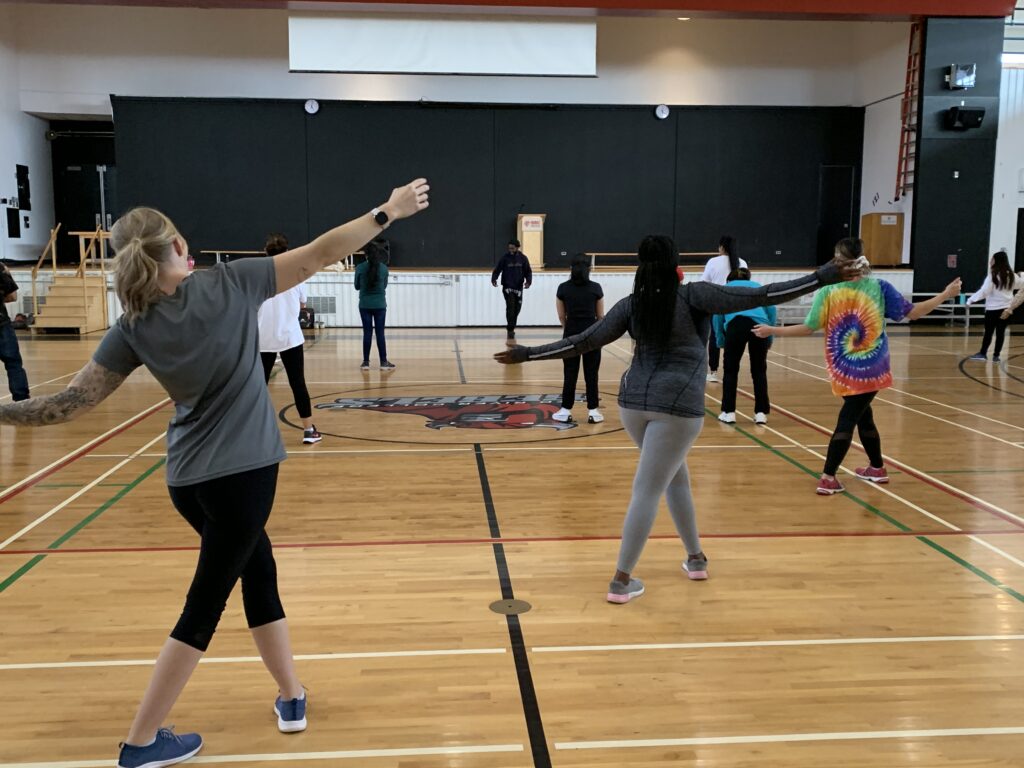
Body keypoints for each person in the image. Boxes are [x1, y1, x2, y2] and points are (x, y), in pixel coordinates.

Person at [0, 179, 429, 768]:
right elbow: (322, 252)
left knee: (261, 571)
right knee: (204, 607)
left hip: (189, 482)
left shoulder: (134, 326)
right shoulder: (230, 283)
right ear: (175, 244)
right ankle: (141, 741)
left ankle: (291, 695)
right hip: (243, 479)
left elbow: (66, 404)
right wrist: (389, 211)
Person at [496, 234, 857, 604]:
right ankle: (621, 580)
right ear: (675, 262)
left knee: (674, 478)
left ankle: (695, 558)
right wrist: (824, 275)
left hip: (633, 405)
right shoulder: (694, 295)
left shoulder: (631, 304)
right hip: (678, 408)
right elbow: (761, 295)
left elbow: (583, 341)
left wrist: (527, 354)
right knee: (649, 489)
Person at [753, 238, 960, 496]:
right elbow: (914, 313)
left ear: (837, 261)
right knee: (863, 415)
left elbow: (808, 328)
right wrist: (944, 295)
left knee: (848, 418)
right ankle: (877, 468)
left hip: (845, 368)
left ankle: (828, 476)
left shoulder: (828, 291)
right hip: (871, 366)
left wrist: (772, 330)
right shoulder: (878, 287)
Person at [257, 233, 321, 445]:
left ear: (266, 253)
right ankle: (308, 430)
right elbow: (303, 305)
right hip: (289, 337)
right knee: (297, 383)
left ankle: (255, 432)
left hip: (263, 338)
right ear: (287, 253)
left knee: (259, 386)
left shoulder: (257, 275)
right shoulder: (296, 275)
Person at [713, 267, 773, 425]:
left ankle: (728, 412)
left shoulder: (724, 289)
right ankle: (761, 413)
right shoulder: (758, 287)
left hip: (736, 325)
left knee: (731, 370)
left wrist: (720, 340)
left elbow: (717, 316)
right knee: (759, 370)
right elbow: (771, 310)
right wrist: (769, 335)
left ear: (729, 279)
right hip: (760, 325)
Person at [553, 253, 605, 424]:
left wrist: (569, 329)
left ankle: (565, 410)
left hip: (570, 337)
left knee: (570, 374)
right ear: (588, 269)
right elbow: (601, 317)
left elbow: (562, 316)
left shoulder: (563, 288)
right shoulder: (596, 288)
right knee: (592, 374)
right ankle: (593, 411)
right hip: (592, 337)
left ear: (571, 269)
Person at [701, 236, 746, 383]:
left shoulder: (713, 262)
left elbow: (704, 283)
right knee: (733, 338)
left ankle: (713, 371)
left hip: (717, 304)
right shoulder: (742, 262)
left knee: (715, 337)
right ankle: (731, 371)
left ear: (721, 247)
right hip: (737, 305)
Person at [965, 250, 1023, 362]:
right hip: (1006, 309)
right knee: (1000, 333)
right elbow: (1021, 284)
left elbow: (984, 291)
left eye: (992, 259)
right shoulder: (1012, 276)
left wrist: (970, 300)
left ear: (996, 261)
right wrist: (1021, 275)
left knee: (988, 332)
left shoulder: (993, 275)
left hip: (992, 310)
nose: (990, 261)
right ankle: (996, 356)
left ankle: (983, 353)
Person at [354, 241, 394, 371]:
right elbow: (384, 286)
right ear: (378, 254)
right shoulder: (383, 268)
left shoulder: (360, 268)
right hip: (380, 305)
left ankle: (366, 362)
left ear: (365, 255)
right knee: (380, 333)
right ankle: (383, 362)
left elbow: (357, 286)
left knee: (367, 333)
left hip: (365, 305)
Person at [491, 238, 532, 346]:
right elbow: (497, 269)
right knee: (510, 307)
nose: (510, 250)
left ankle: (511, 326)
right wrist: (494, 278)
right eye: (509, 248)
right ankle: (510, 330)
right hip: (507, 288)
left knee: (517, 309)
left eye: (512, 248)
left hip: (518, 288)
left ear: (517, 247)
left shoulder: (523, 259)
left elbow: (528, 271)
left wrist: (528, 282)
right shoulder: (505, 258)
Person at [0, 262, 29, 401]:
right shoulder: (0, 268)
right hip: (1, 325)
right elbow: (12, 297)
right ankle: (22, 401)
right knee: (13, 364)